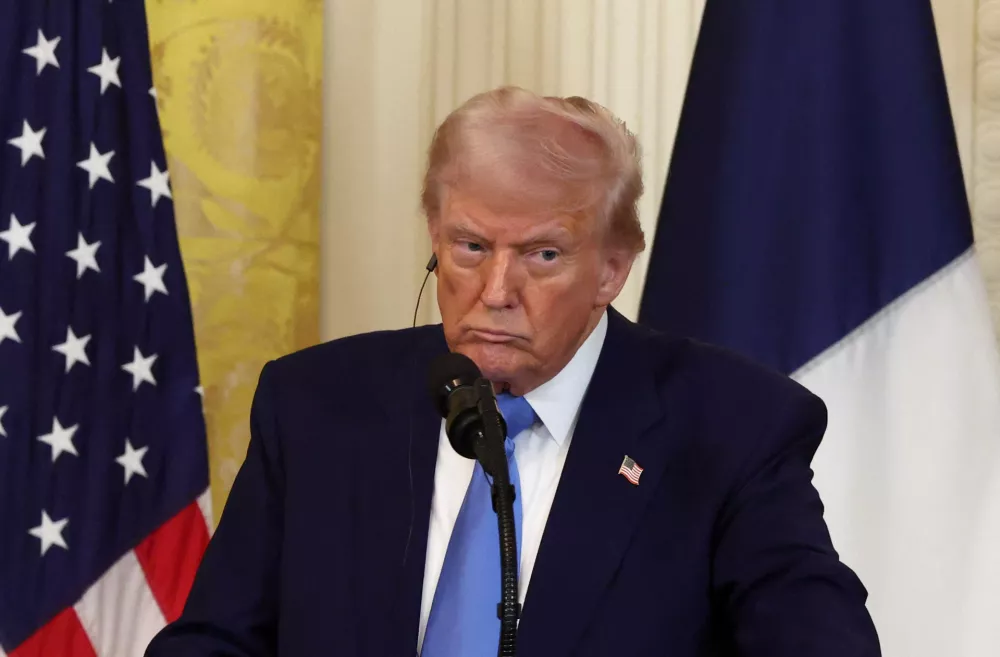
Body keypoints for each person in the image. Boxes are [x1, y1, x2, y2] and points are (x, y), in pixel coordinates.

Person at [145, 86, 880, 656]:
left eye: (542, 255)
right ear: (434, 235)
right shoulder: (316, 406)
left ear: (612, 269)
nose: (497, 291)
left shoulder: (732, 428)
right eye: (469, 247)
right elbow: (217, 641)